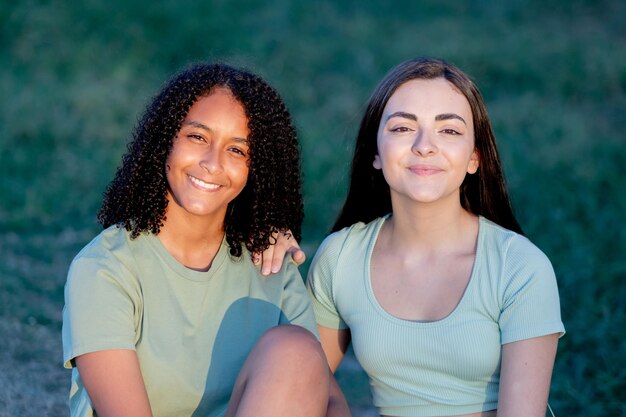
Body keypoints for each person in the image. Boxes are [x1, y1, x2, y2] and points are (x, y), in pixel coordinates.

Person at [62, 62, 349, 417]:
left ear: (255, 170)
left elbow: (329, 401)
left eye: (237, 150)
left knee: (295, 349)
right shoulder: (103, 269)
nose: (212, 163)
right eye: (197, 137)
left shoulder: (270, 264)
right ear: (166, 140)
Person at [306, 57, 565, 417]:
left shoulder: (519, 267)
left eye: (449, 131)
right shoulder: (341, 257)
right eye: (401, 128)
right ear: (375, 154)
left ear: (474, 158)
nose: (425, 146)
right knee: (283, 348)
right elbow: (301, 382)